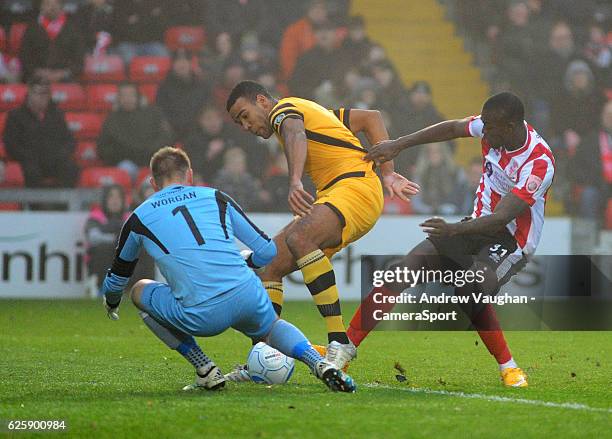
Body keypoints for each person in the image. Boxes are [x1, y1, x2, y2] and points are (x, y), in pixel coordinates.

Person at [100, 146, 356, 393]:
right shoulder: (215, 197)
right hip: (247, 295)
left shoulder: (138, 217)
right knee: (271, 326)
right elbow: (268, 251)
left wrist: (112, 302)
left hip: (201, 314)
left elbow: (119, 276)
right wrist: (248, 261)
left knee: (139, 291)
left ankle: (205, 369)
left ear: (153, 185)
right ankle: (319, 364)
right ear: (189, 176)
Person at [352, 92, 555, 387]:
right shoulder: (493, 127)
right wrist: (398, 144)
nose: (482, 132)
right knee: (399, 271)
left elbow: (501, 218)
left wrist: (452, 230)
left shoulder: (539, 162)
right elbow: (450, 128)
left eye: (489, 128)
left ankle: (509, 367)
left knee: (471, 288)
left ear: (510, 127)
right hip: (473, 226)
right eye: (482, 124)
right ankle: (344, 348)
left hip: (511, 239)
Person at [226, 80, 418, 372]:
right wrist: (389, 173)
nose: (245, 126)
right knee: (269, 264)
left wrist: (294, 181)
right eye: (239, 122)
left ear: (262, 101)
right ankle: (260, 359)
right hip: (338, 193)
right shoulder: (316, 113)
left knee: (301, 237)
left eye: (244, 115)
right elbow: (371, 118)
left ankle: (339, 342)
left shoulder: (285, 111)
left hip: (355, 188)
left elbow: (295, 132)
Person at [3, 74, 78, 187]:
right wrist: (28, 156)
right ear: (30, 93)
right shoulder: (15, 116)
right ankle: (36, 204)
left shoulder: (57, 115)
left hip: (54, 159)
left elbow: (69, 140)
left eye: (47, 93)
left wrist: (62, 154)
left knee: (70, 168)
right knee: (31, 172)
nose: (43, 97)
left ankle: (61, 204)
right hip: (29, 161)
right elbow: (11, 144)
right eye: (40, 93)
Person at [97, 82, 173, 175]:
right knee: (124, 169)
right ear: (119, 98)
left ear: (137, 96)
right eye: (123, 95)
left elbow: (166, 138)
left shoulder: (154, 114)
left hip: (152, 160)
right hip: (126, 163)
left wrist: (150, 151)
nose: (127, 98)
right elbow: (104, 148)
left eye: (131, 95)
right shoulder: (111, 120)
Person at [19, 0, 85, 82]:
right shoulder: (32, 29)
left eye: (55, 3)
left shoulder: (73, 29)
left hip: (66, 79)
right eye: (47, 4)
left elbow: (79, 60)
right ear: (41, 7)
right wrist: (39, 72)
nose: (52, 7)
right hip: (37, 79)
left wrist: (63, 73)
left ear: (62, 6)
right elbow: (25, 56)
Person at [84, 184, 129, 292]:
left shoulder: (130, 217)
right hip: (100, 258)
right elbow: (93, 237)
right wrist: (115, 239)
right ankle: (103, 289)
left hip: (125, 259)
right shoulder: (95, 217)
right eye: (111, 197)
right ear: (105, 200)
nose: (115, 200)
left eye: (118, 197)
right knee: (104, 248)